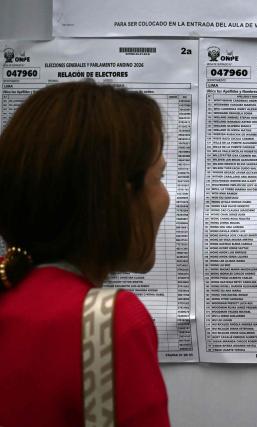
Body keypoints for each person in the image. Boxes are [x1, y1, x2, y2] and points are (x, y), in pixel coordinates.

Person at [0, 81, 171, 426]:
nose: (166, 197)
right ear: (119, 195)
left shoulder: (9, 294)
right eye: (158, 178)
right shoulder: (108, 322)